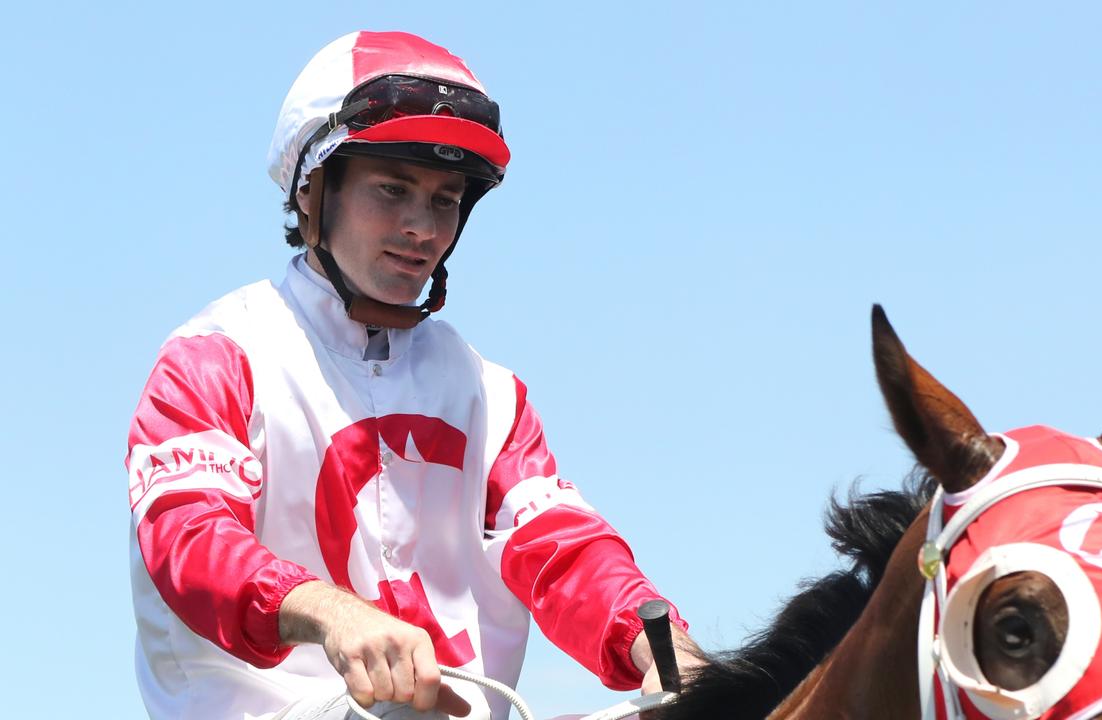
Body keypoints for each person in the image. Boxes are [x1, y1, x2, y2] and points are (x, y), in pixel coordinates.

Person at [127, 30, 702, 720]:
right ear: (313, 191)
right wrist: (329, 614)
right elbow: (188, 537)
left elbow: (563, 550)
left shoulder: (489, 393)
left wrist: (658, 643)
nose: (421, 227)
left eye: (444, 200)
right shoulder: (215, 354)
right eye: (393, 190)